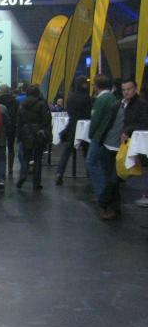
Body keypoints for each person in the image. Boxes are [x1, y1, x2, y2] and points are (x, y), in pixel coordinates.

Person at [98, 78, 148, 220]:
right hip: (109, 144)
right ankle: (114, 209)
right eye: (124, 89)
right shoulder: (118, 104)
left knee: (115, 179)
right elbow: (109, 122)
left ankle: (103, 202)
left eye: (129, 89)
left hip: (125, 148)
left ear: (135, 89)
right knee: (111, 178)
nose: (126, 92)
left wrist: (128, 130)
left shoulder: (141, 105)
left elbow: (144, 123)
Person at [85, 74, 119, 207]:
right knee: (104, 166)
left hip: (98, 136)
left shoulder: (100, 100)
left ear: (96, 86)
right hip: (108, 137)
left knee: (91, 162)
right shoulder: (112, 98)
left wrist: (91, 134)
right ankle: (106, 194)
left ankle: (102, 194)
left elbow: (95, 119)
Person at [55, 77, 91, 185]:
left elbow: (69, 112)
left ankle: (59, 173)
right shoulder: (86, 97)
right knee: (87, 152)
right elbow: (88, 113)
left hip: (72, 126)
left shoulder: (71, 97)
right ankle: (90, 174)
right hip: (84, 127)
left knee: (66, 152)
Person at [16, 85, 52, 191]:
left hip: (25, 133)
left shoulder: (22, 104)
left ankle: (22, 177)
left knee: (25, 158)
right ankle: (36, 183)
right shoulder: (42, 104)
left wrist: (19, 135)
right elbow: (46, 120)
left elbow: (19, 121)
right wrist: (48, 135)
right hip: (38, 134)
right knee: (38, 159)